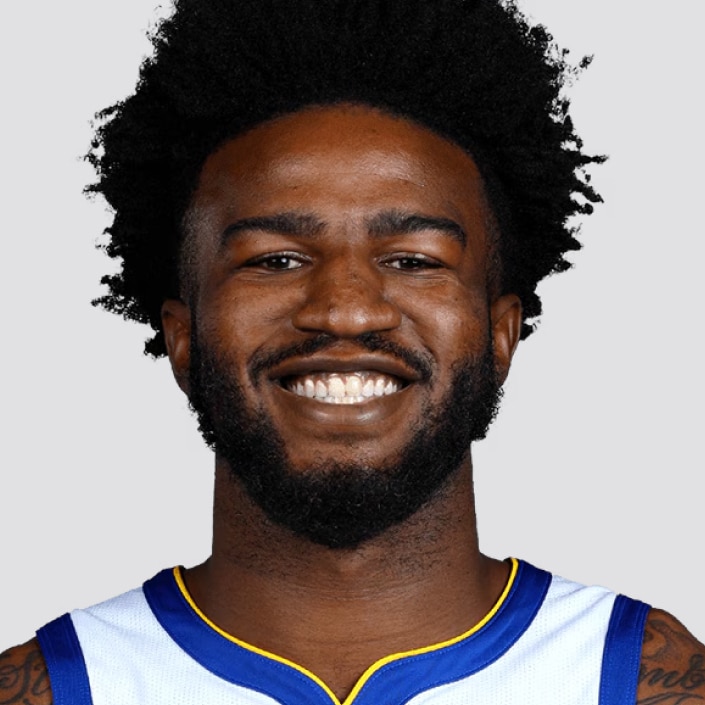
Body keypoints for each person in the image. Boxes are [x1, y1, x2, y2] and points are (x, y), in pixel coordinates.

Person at [2, 0, 703, 703]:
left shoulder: (642, 679)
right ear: (182, 337)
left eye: (413, 260)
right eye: (275, 260)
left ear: (501, 333)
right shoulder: (54, 686)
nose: (344, 309)